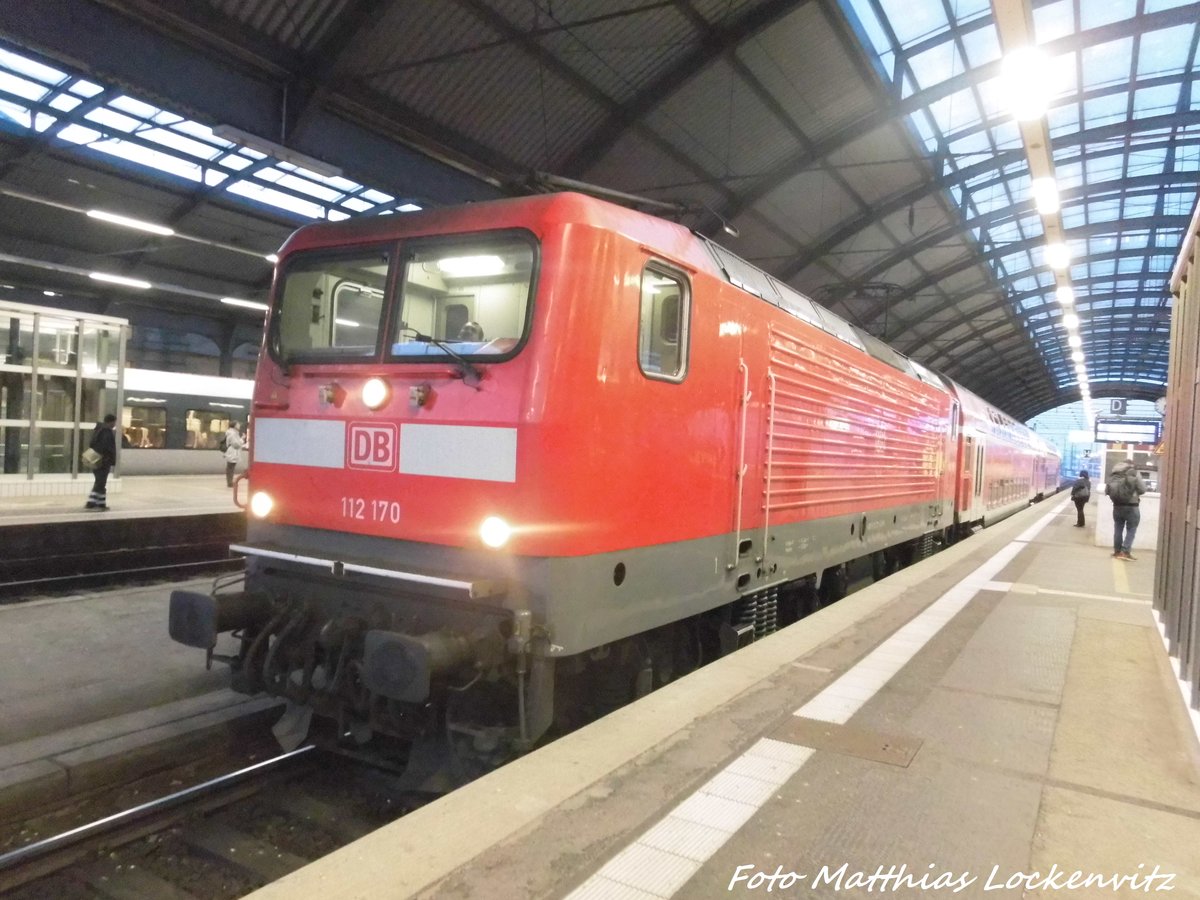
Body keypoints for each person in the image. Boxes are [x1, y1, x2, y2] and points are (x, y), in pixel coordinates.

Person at [1104, 459, 1148, 560]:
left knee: (1118, 529)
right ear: (1131, 465)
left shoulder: (1114, 474)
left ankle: (1117, 551)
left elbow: (1108, 489)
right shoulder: (1134, 473)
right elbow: (1142, 489)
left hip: (1117, 505)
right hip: (1132, 506)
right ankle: (1125, 552)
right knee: (1131, 529)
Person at [85, 414, 118, 510]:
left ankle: (98, 503)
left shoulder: (98, 430)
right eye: (114, 422)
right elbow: (107, 447)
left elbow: (93, 444)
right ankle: (94, 503)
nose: (115, 424)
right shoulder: (106, 432)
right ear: (111, 422)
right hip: (103, 461)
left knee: (100, 482)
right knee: (101, 482)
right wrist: (109, 459)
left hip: (95, 459)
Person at [223, 421, 246, 487]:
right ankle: (230, 483)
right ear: (234, 425)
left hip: (233, 452)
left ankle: (230, 482)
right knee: (230, 468)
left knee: (230, 468)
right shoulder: (232, 434)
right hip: (232, 452)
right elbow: (236, 444)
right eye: (238, 424)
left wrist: (241, 439)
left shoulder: (233, 433)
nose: (239, 426)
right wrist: (242, 439)